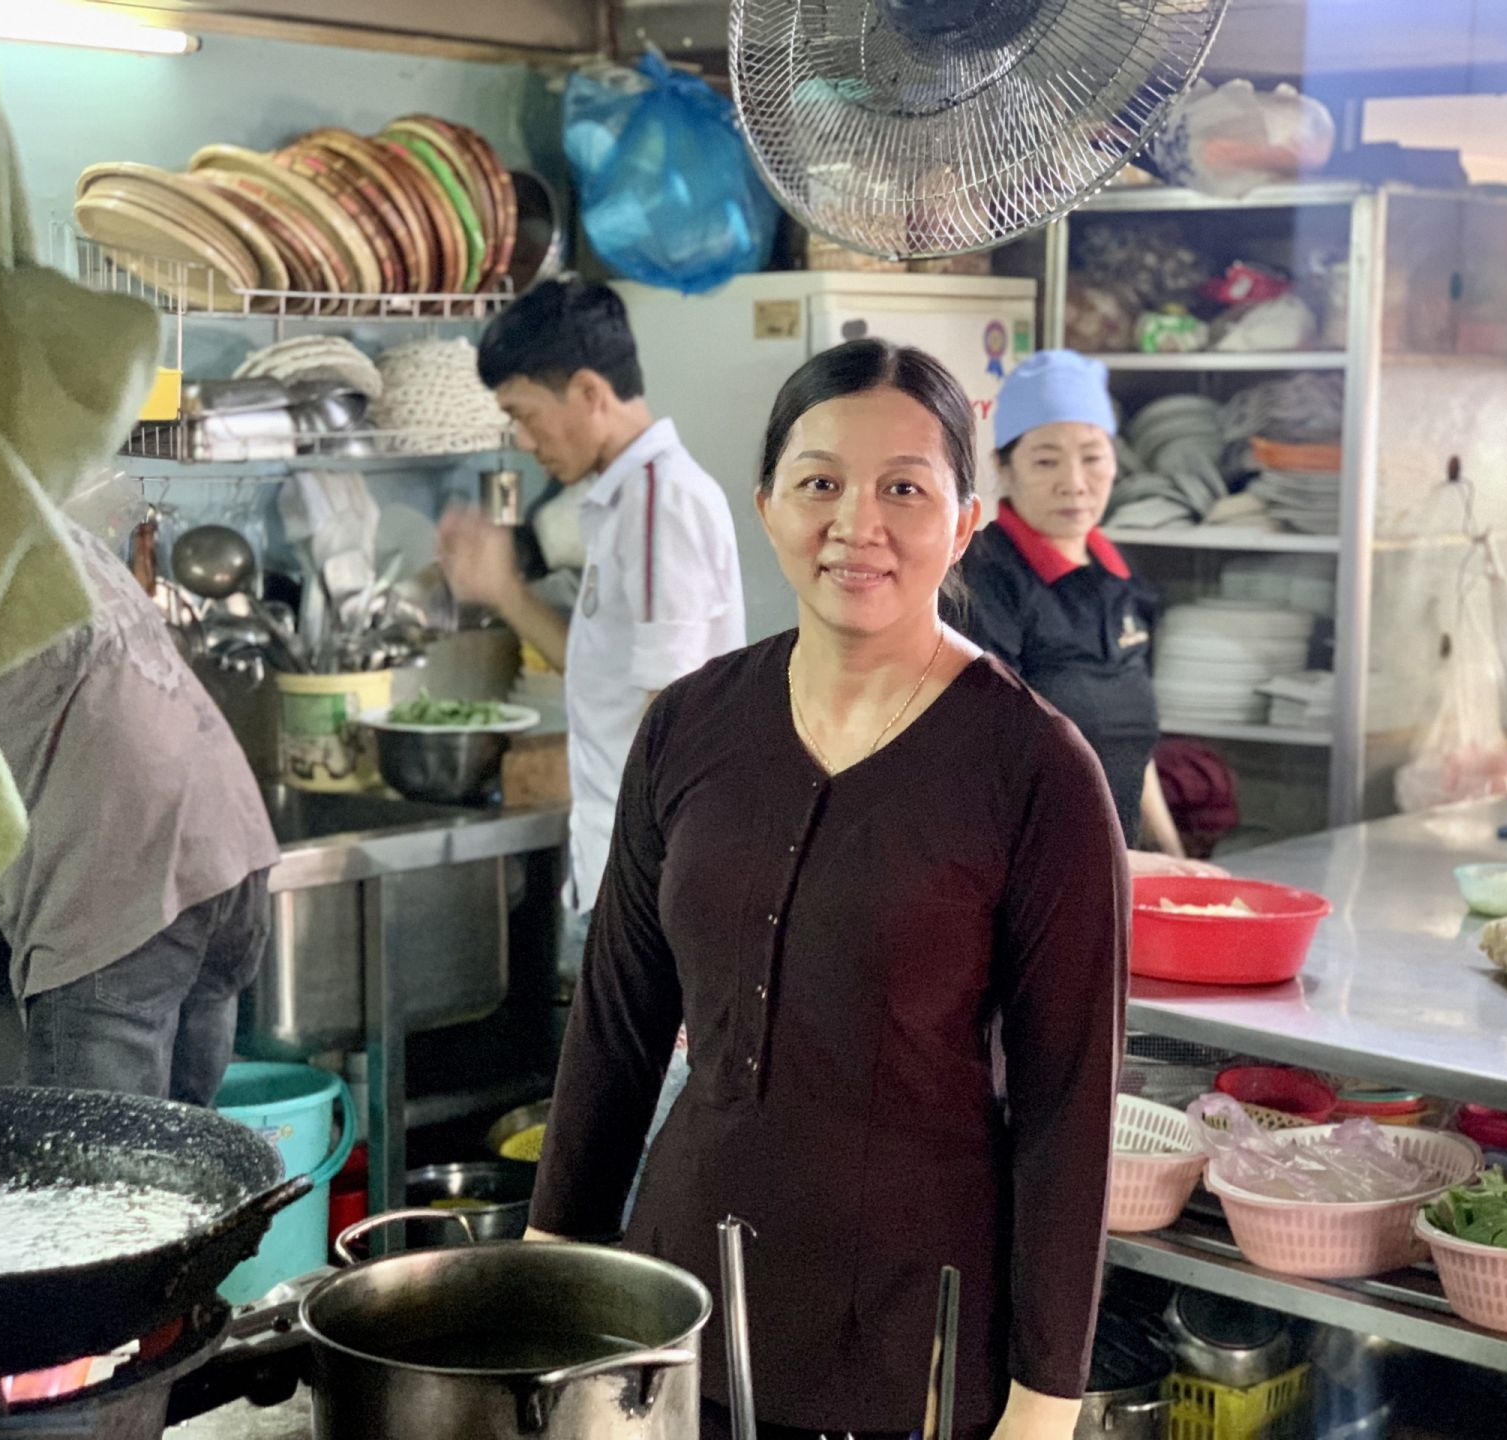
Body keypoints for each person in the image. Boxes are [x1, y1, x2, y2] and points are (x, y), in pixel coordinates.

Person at [527, 340, 1126, 1440]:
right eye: (819, 483)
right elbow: (615, 1026)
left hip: (910, 1337)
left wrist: (1047, 1400)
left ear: (966, 521)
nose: (858, 522)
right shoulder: (689, 725)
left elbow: (1066, 1107)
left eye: (904, 486)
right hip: (678, 1308)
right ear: (766, 507)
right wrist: (551, 1267)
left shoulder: (1036, 769)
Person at [440, 279, 746, 1144]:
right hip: (625, 872)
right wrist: (503, 590)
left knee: (642, 1135)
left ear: (588, 392)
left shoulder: (657, 502)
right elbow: (608, 669)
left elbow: (675, 716)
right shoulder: (620, 501)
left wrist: (643, 909)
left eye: (526, 414)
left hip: (648, 883)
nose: (526, 440)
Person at [0, 521, 279, 1105]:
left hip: (125, 881)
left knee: (98, 1185)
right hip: (222, 847)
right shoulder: (40, 519)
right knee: (182, 1175)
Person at [952, 350, 1217, 876]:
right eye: (1046, 460)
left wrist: (1172, 857)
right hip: (1027, 877)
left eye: (1092, 457)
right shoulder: (984, 581)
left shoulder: (1121, 580)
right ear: (1003, 468)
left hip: (1117, 873)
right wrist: (1126, 864)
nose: (1074, 481)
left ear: (1116, 461)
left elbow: (1129, 751)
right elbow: (984, 766)